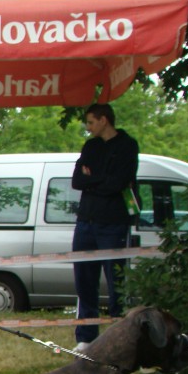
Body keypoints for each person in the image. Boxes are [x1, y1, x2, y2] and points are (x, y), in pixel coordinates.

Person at [71, 103, 139, 350]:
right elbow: (77, 180)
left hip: (113, 222)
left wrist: (93, 178)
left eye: (90, 122)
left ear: (103, 120)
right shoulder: (91, 146)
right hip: (86, 221)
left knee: (115, 279)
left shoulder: (127, 145)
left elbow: (119, 182)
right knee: (84, 279)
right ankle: (86, 337)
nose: (88, 128)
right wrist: (96, 179)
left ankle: (118, 334)